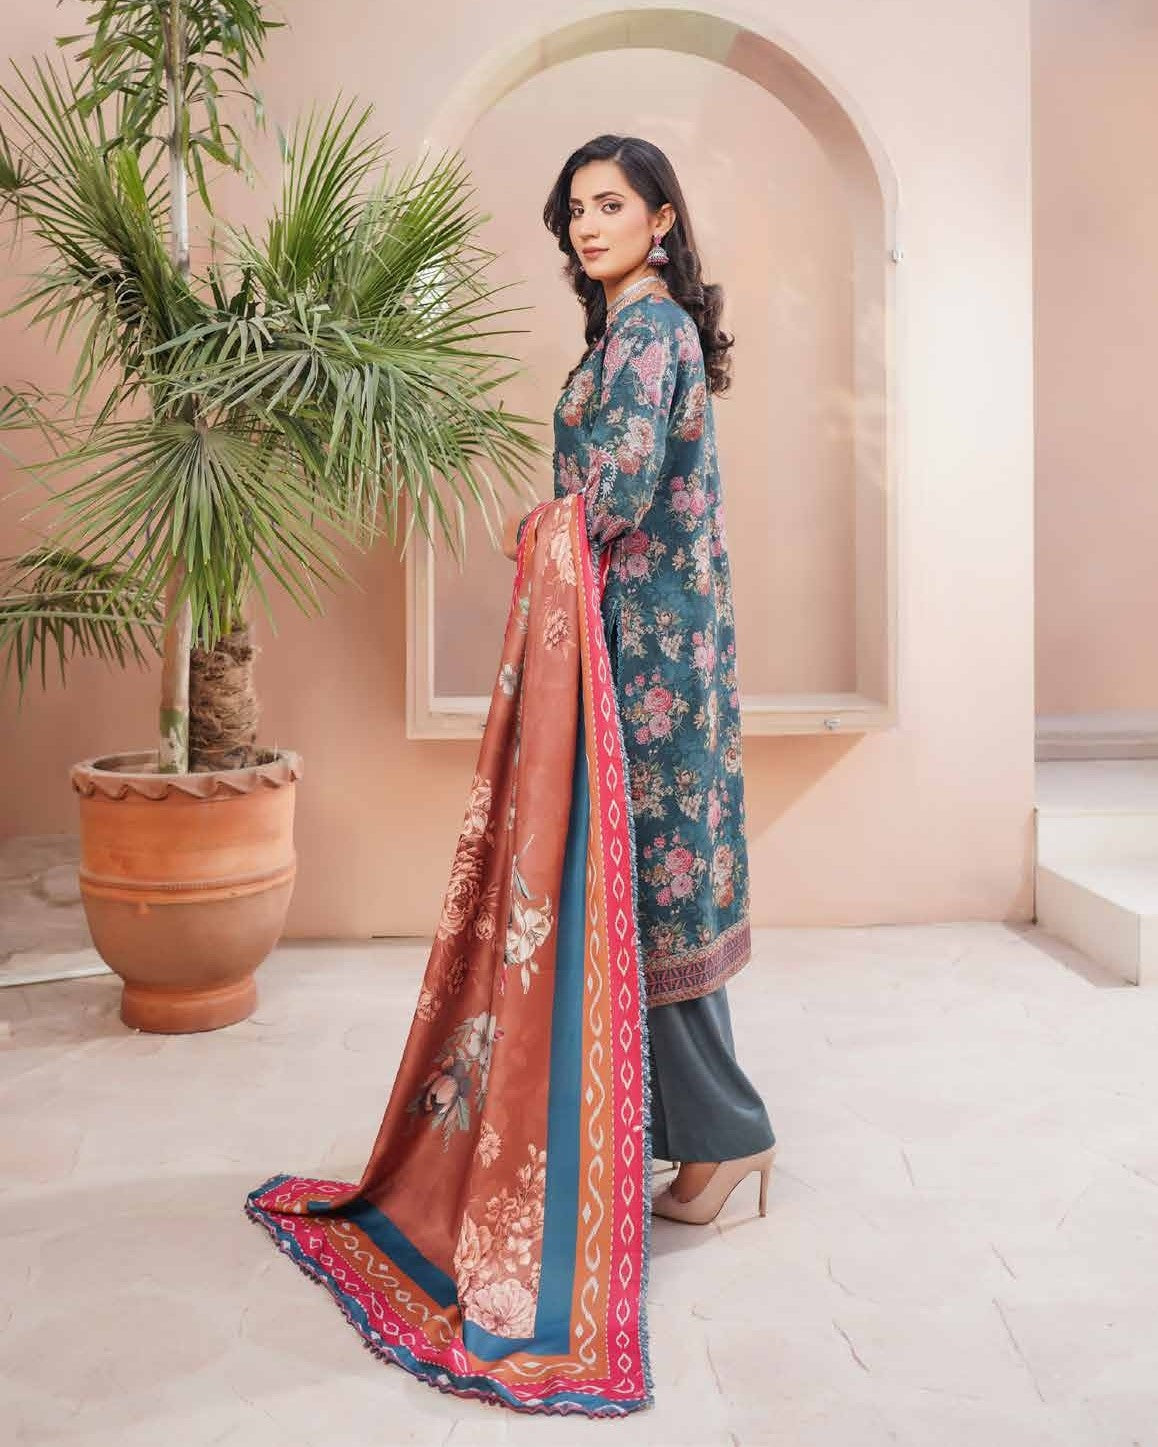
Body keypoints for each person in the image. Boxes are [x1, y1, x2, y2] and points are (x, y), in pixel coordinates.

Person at [502, 135, 775, 1225]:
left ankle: (729, 1135)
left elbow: (615, 487)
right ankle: (697, 1136)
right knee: (650, 885)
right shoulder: (630, 328)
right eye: (577, 208)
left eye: (611, 204)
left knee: (661, 890)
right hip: (646, 632)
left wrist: (534, 528)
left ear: (660, 219)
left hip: (653, 647)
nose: (588, 224)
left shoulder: (651, 328)